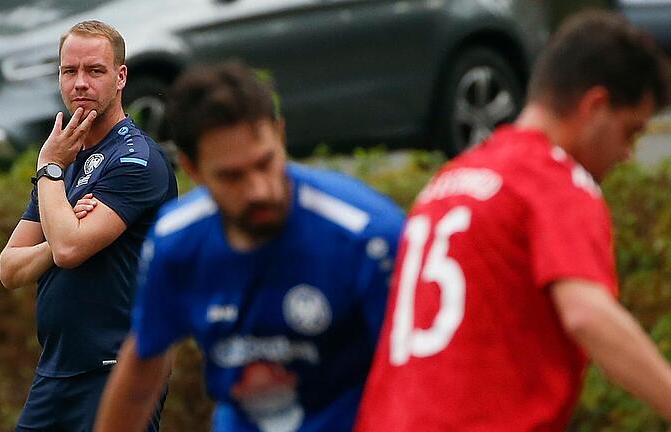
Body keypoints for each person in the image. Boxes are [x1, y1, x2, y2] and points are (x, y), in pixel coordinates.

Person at [354, 10, 671, 431]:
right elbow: (586, 313)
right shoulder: (554, 180)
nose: (627, 155)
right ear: (595, 106)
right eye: (629, 132)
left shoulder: (450, 181)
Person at [93, 62, 404, 432]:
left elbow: (419, 378)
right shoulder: (176, 243)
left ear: (280, 136)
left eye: (265, 163)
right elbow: (141, 373)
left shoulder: (367, 236)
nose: (258, 190)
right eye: (232, 176)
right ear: (193, 169)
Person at [0, 20, 177, 431]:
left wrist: (50, 174)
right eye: (69, 71)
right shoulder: (64, 162)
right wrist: (55, 183)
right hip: (55, 370)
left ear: (121, 76)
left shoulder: (138, 159)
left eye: (94, 71)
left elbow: (70, 250)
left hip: (116, 370)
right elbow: (9, 268)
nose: (80, 83)